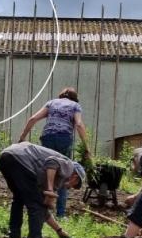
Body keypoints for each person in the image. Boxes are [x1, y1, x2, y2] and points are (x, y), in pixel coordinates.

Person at [0, 142, 86, 238]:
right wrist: (49, 190)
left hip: (7, 156)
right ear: (75, 177)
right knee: (35, 206)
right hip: (21, 160)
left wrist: (59, 231)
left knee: (19, 200)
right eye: (75, 186)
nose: (70, 188)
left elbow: (43, 210)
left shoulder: (48, 175)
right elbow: (52, 162)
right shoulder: (69, 167)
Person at [18, 87, 90, 218]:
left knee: (46, 172)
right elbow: (79, 124)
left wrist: (22, 137)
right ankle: (60, 214)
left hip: (48, 137)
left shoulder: (51, 103)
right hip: (64, 139)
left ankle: (40, 208)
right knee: (64, 173)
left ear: (61, 96)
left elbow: (33, 118)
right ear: (74, 98)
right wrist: (87, 147)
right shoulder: (75, 106)